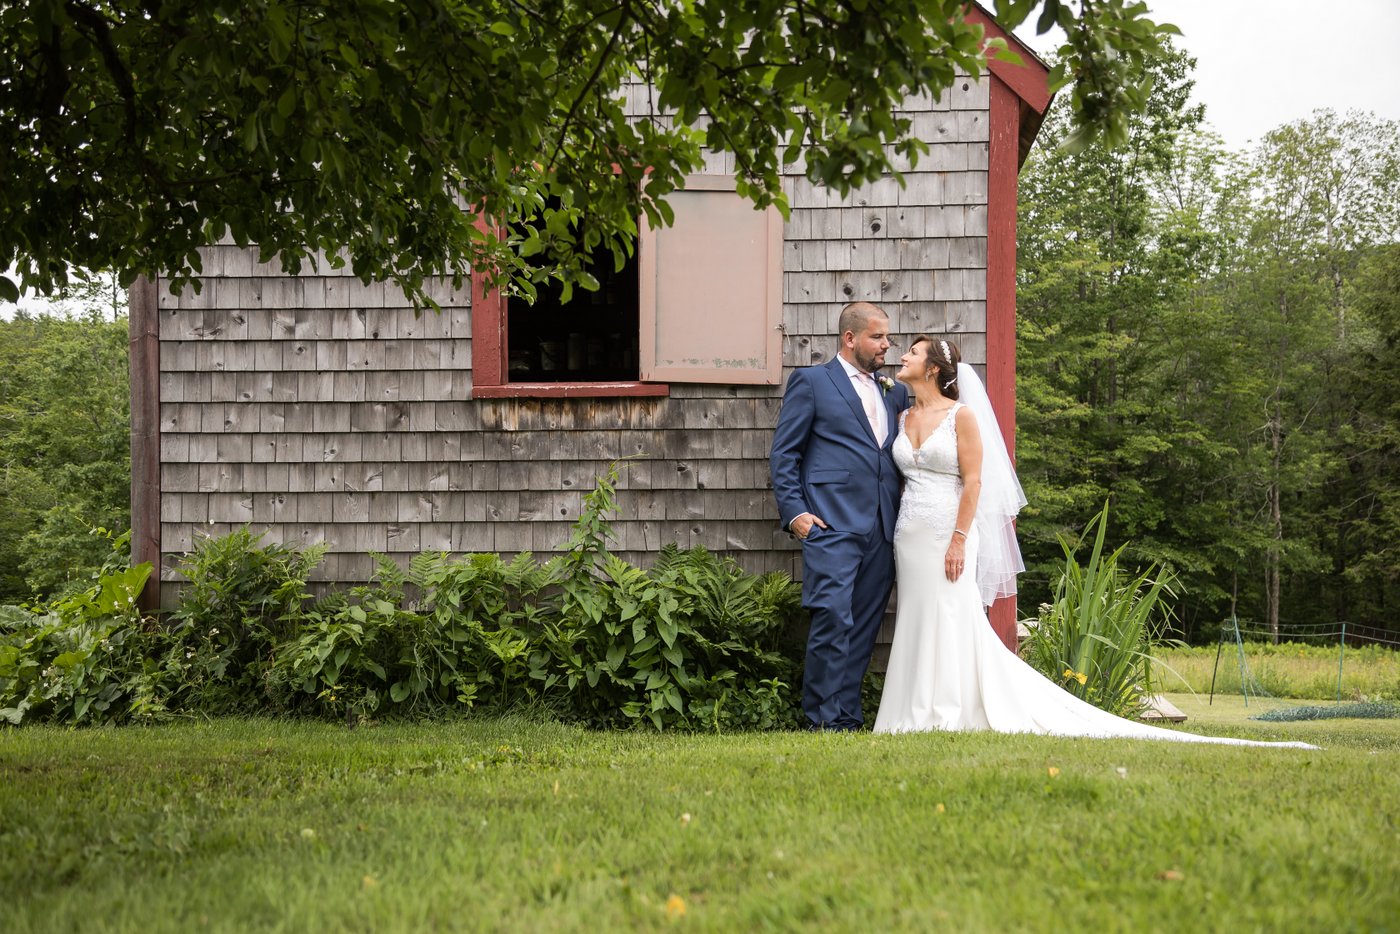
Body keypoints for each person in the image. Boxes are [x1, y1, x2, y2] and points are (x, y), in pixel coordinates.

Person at [872, 336, 1316, 749]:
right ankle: (908, 712)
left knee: (951, 616)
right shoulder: (903, 416)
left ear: (932, 369)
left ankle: (948, 711)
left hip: (951, 534)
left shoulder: (961, 416)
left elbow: (973, 483)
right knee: (916, 616)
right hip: (909, 536)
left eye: (913, 352)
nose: (903, 357)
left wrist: (958, 539)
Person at [770, 302, 910, 731]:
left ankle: (847, 719)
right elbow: (785, 453)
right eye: (877, 336)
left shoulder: (895, 391)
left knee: (864, 626)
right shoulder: (813, 382)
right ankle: (821, 720)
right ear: (850, 339)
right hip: (830, 524)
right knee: (833, 617)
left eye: (887, 336)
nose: (887, 344)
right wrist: (796, 513)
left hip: (883, 527)